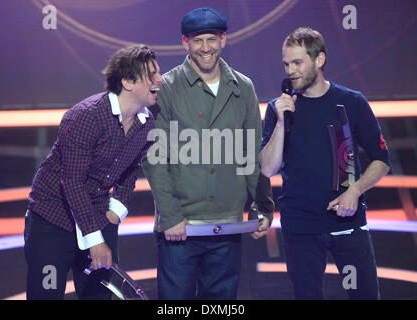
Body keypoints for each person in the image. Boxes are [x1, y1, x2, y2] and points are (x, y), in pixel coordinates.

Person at [142, 7, 273, 300]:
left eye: (211, 39)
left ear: (223, 40)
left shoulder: (244, 87)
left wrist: (262, 206)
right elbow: (154, 159)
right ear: (185, 43)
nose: (205, 48)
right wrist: (171, 217)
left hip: (227, 226)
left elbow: (251, 154)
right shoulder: (167, 88)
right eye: (197, 40)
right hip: (181, 228)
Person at [260, 27, 391, 299]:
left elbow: (381, 160)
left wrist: (355, 191)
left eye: (297, 62)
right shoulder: (277, 109)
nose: (291, 70)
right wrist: (282, 122)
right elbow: (267, 168)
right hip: (301, 227)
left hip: (348, 222)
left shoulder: (352, 102)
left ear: (319, 60)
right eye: (286, 64)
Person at [24, 45, 164, 299]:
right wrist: (95, 239)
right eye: (151, 75)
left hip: (99, 215)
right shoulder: (86, 116)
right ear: (127, 82)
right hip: (53, 220)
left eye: (158, 73)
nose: (160, 80)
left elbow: (130, 170)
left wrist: (115, 212)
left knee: (99, 296)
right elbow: (73, 182)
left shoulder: (146, 123)